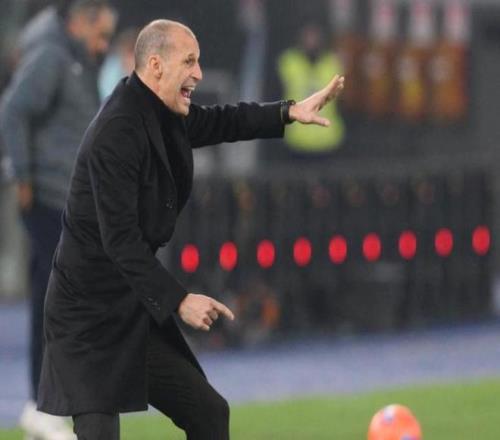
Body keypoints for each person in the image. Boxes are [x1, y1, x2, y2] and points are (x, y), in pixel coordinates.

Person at [36, 19, 344, 439]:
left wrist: (287, 112)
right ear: (156, 65)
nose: (198, 73)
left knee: (209, 413)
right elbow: (120, 242)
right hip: (88, 317)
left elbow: (224, 121)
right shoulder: (117, 130)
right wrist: (179, 300)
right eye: (189, 61)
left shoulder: (162, 111)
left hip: (131, 304)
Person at [0, 1, 117, 439]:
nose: (103, 45)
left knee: (66, 301)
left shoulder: (74, 60)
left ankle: (47, 404)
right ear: (81, 22)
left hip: (68, 201)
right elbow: (12, 109)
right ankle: (42, 404)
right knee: (58, 302)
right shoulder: (52, 57)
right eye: (101, 34)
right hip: (48, 198)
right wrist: (22, 175)